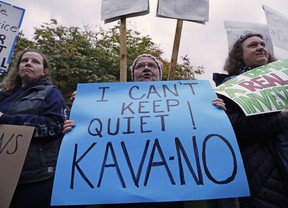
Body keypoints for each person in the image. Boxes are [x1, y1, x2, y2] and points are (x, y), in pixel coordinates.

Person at [63, 54, 226, 208]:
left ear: (159, 73)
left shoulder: (184, 102)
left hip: (169, 186)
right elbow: (93, 134)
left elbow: (197, 130)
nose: (146, 68)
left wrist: (214, 112)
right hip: (121, 188)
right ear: (133, 75)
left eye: (152, 65)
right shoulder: (111, 104)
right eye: (140, 66)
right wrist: (80, 113)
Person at [213, 33, 288, 208]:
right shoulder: (228, 88)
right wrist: (280, 119)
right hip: (262, 173)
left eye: (262, 44)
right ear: (239, 55)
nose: (261, 47)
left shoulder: (284, 80)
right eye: (253, 45)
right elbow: (232, 127)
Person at [0, 49, 67, 208]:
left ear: (44, 71)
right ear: (18, 68)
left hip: (34, 176)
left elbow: (54, 126)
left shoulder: (51, 94)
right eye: (24, 60)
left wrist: (5, 119)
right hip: (3, 174)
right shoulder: (4, 95)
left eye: (35, 61)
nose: (28, 63)